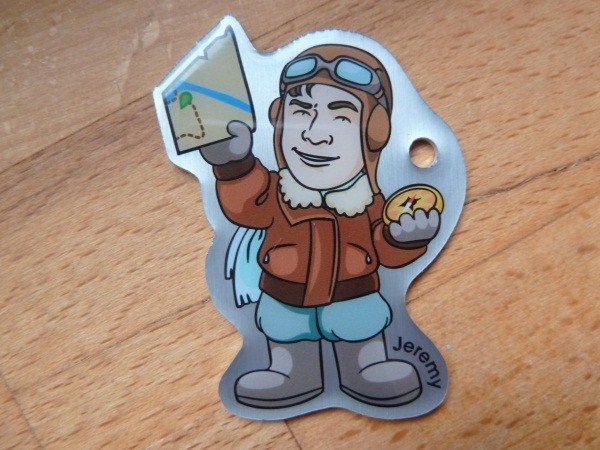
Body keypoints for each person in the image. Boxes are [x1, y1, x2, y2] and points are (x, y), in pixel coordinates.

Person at [199, 45, 440, 408]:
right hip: (284, 296)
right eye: (301, 112)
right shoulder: (277, 191)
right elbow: (247, 205)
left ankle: (366, 366)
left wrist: (404, 238)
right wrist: (234, 165)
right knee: (286, 337)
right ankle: (291, 373)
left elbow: (384, 248)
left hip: (354, 297)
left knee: (362, 334)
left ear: (374, 133)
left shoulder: (367, 201)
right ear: (280, 119)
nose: (314, 135)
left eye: (340, 118)